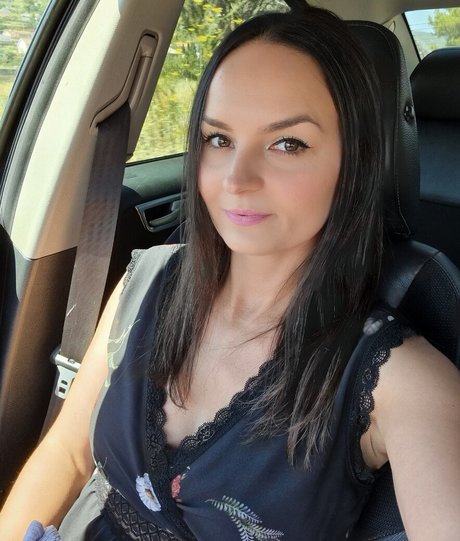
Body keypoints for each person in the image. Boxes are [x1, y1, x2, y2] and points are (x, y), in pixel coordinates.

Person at [1, 5, 459, 540]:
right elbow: (69, 453)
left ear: (354, 161)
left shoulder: (402, 384)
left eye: (287, 143)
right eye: (219, 139)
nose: (236, 180)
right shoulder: (144, 283)